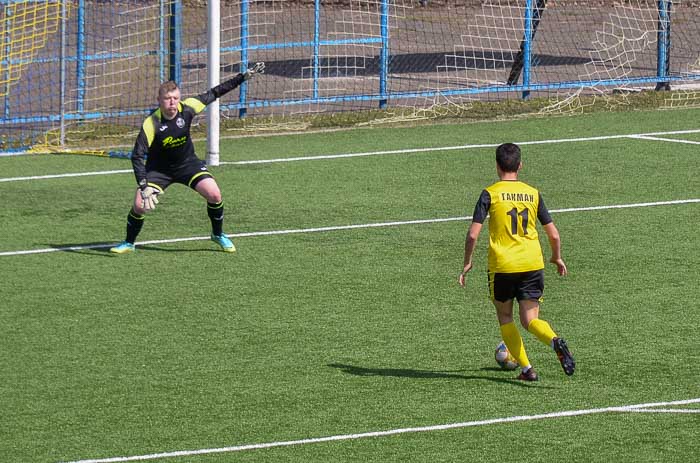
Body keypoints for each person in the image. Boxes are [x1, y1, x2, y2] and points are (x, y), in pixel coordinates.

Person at [110, 62, 265, 254]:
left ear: (180, 97)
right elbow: (137, 156)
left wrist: (242, 77)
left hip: (188, 165)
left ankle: (218, 234)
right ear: (159, 100)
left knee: (215, 194)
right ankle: (128, 242)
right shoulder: (151, 123)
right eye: (167, 99)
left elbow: (215, 92)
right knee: (139, 205)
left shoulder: (189, 107)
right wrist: (144, 186)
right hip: (159, 170)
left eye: (175, 98)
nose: (172, 102)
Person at [458, 143, 575, 381]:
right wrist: (557, 256)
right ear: (520, 166)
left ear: (497, 166)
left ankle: (527, 369)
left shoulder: (490, 193)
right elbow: (553, 234)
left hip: (503, 266)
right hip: (532, 263)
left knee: (506, 317)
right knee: (530, 320)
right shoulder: (533, 193)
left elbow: (472, 234)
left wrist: (467, 262)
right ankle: (554, 341)